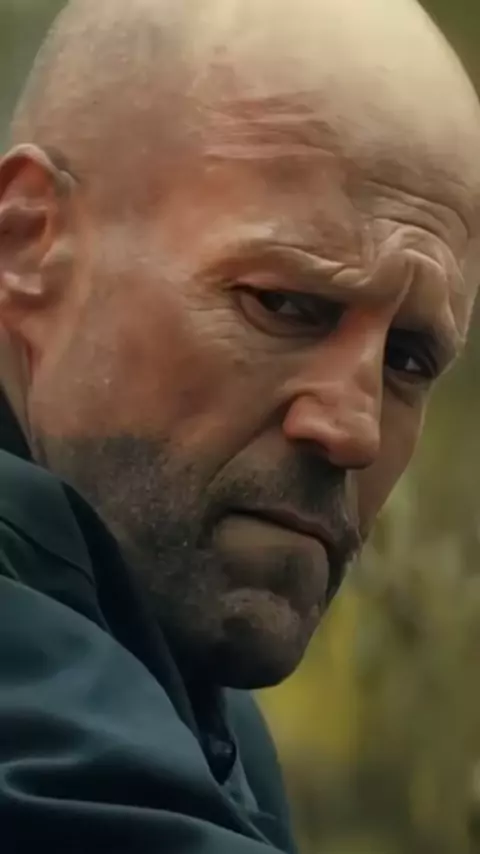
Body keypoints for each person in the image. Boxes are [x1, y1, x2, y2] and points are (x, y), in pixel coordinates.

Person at [0, 0, 479, 850]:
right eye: (284, 305)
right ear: (28, 245)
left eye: (408, 360)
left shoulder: (188, 681)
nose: (354, 431)